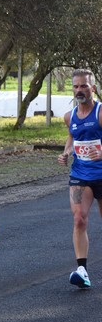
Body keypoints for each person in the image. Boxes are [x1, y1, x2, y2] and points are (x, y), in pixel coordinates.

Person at [58, 68, 102, 289]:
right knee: (79, 219)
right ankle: (82, 270)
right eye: (75, 86)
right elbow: (72, 137)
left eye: (83, 86)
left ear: (92, 88)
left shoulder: (101, 113)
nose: (79, 90)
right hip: (80, 175)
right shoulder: (70, 116)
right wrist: (66, 152)